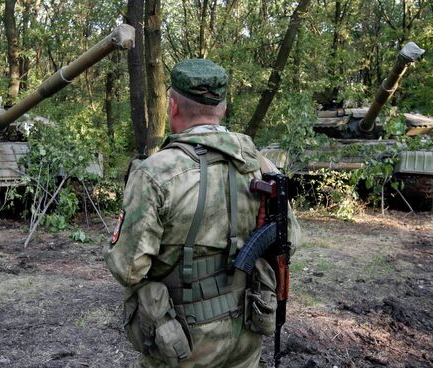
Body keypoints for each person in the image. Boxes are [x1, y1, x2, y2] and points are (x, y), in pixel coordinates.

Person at [104, 59, 301, 368]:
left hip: (185, 340)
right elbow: (291, 239)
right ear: (222, 108)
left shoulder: (155, 173)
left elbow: (128, 267)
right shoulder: (261, 164)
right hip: (246, 333)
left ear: (173, 106)